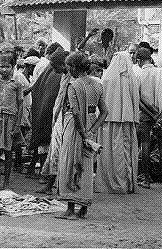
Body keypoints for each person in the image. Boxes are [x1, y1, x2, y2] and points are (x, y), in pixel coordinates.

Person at [56, 52, 108, 219]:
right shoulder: (97, 85)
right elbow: (105, 112)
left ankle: (70, 208)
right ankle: (83, 208)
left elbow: (76, 113)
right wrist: (92, 130)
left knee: (70, 162)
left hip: (75, 127)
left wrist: (82, 133)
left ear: (73, 67)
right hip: (91, 124)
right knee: (86, 165)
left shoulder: (73, 85)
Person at [95, 51, 140, 194]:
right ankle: (126, 183)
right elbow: (135, 100)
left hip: (108, 121)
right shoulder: (132, 78)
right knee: (124, 152)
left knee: (108, 152)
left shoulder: (107, 78)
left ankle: (108, 182)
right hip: (126, 120)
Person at [26, 50, 66, 178]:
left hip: (44, 111)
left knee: (44, 143)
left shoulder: (53, 71)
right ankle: (46, 175)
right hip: (49, 113)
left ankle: (38, 171)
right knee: (47, 143)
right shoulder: (57, 73)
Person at [0, 53, 24, 189]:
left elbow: (20, 105)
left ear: (13, 67)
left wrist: (17, 125)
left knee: (8, 152)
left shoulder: (17, 85)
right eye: (1, 66)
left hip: (10, 119)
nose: (4, 70)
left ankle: (6, 183)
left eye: (7, 67)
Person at [136, 47, 162, 189]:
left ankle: (146, 179)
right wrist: (160, 115)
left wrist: (152, 115)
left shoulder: (138, 75)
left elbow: (137, 100)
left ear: (139, 60)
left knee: (145, 145)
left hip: (145, 115)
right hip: (161, 115)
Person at [38, 51, 71, 195]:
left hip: (67, 117)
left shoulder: (72, 76)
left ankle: (59, 185)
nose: (53, 70)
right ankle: (51, 184)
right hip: (59, 118)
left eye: (54, 66)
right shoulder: (64, 75)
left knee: (61, 152)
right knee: (55, 151)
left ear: (62, 64)